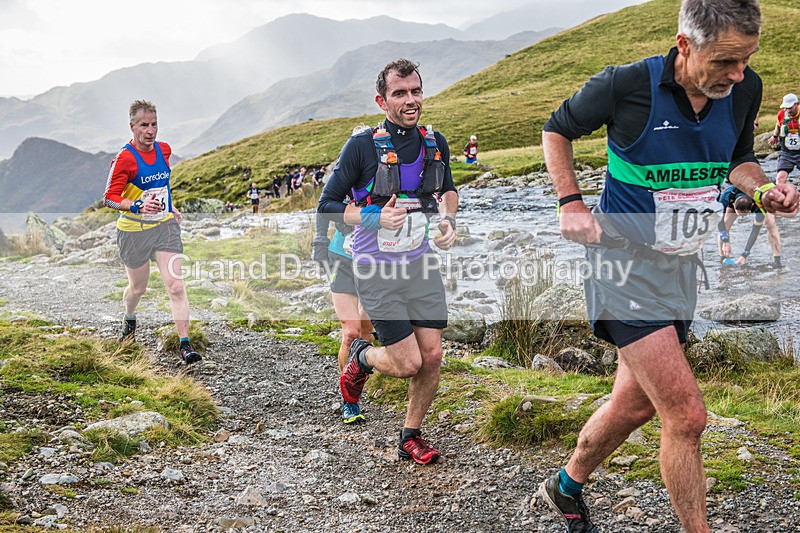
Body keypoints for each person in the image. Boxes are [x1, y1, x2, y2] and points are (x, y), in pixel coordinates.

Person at [540, 1, 799, 531]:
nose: (738, 74)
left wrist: (763, 189)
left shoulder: (743, 89)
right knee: (686, 416)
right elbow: (556, 129)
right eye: (725, 60)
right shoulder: (626, 85)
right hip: (621, 265)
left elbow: (739, 160)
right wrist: (570, 201)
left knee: (634, 405)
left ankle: (564, 485)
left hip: (680, 266)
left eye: (747, 59)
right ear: (685, 45)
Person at [318, 58, 458, 465]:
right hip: (375, 268)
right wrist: (374, 217)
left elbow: (449, 189)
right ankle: (362, 356)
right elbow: (327, 205)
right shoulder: (362, 146)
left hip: (421, 265)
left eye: (416, 91)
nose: (410, 100)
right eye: (400, 93)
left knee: (433, 357)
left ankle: (410, 436)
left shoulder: (435, 142)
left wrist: (448, 221)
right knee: (407, 362)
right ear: (382, 101)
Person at [103, 99, 202, 364]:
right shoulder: (124, 159)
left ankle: (185, 344)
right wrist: (137, 206)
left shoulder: (164, 150)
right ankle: (129, 317)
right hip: (133, 232)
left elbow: (161, 185)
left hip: (163, 226)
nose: (150, 130)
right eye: (144, 125)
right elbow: (109, 198)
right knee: (138, 289)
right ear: (132, 126)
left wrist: (170, 206)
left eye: (154, 124)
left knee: (176, 286)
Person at [312, 205, 375, 424]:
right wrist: (320, 239)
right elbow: (324, 205)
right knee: (351, 333)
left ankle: (359, 379)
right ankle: (350, 400)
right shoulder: (347, 180)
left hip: (376, 260)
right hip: (341, 257)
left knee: (366, 331)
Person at [718, 185, 781, 268]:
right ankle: (723, 258)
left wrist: (745, 254)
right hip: (735, 196)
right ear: (733, 205)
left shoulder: (760, 205)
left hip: (762, 195)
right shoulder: (727, 196)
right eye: (740, 214)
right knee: (725, 224)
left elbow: (755, 230)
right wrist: (725, 241)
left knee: (770, 224)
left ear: (752, 206)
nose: (742, 217)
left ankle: (777, 261)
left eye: (745, 215)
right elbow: (719, 220)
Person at [767, 93, 800, 185]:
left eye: (790, 108)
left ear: (796, 104)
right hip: (787, 153)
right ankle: (781, 193)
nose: (787, 110)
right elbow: (778, 125)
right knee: (780, 178)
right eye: (785, 107)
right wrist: (774, 136)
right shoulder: (781, 114)